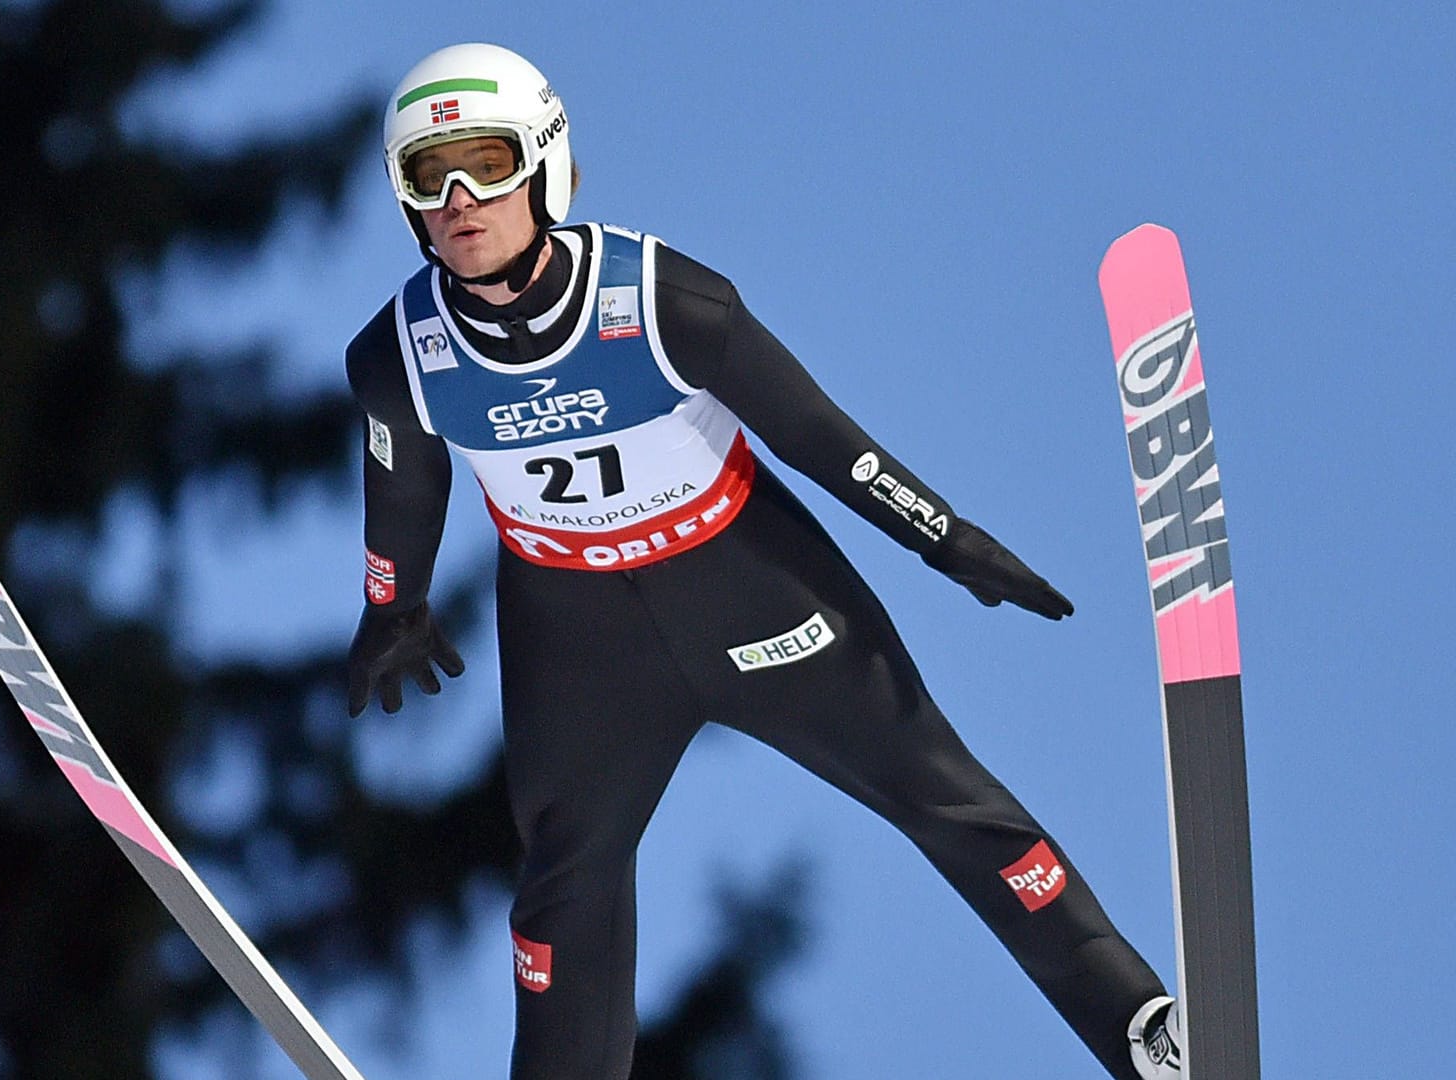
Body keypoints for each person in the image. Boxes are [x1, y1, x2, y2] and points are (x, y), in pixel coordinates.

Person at [342, 42, 1183, 1080]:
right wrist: (392, 604)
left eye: (487, 163)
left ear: (547, 166)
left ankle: (1143, 1030)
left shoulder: (661, 300)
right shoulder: (399, 356)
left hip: (751, 590)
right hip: (580, 641)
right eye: (430, 176)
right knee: (565, 888)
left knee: (943, 793)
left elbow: (816, 436)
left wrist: (942, 535)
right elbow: (404, 485)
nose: (461, 201)